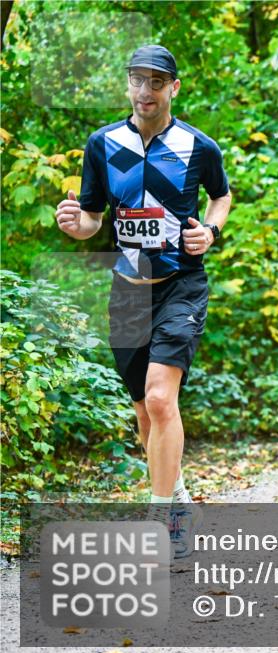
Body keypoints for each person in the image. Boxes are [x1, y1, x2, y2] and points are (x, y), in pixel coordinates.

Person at [54, 45, 232, 557]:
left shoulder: (199, 146)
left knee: (160, 396)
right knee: (144, 412)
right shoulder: (102, 144)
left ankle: (162, 525)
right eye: (137, 80)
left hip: (181, 284)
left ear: (173, 88)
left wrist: (212, 232)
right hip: (128, 290)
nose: (145, 91)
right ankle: (175, 495)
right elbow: (91, 218)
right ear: (127, 84)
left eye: (157, 82)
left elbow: (221, 196)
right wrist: (78, 226)